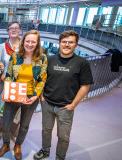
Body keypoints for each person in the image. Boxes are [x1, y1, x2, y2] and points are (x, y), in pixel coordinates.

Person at [34, 30, 93, 160]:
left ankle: (60, 157)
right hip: (47, 104)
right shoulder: (49, 59)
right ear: (59, 44)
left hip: (66, 108)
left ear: (76, 45)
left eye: (70, 42)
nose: (67, 45)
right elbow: (42, 79)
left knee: (63, 137)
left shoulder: (81, 63)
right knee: (46, 130)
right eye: (64, 42)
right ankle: (45, 150)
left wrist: (73, 105)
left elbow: (85, 86)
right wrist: (41, 96)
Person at [0, 30, 48, 160]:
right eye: (27, 41)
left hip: (31, 97)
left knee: (24, 125)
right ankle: (6, 144)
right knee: (6, 125)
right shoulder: (15, 56)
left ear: (37, 43)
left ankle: (17, 146)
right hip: (14, 94)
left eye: (33, 42)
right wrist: (9, 91)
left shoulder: (42, 58)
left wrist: (36, 96)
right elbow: (8, 76)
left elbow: (42, 79)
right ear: (23, 41)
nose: (30, 44)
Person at [0, 21, 22, 141]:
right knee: (2, 108)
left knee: (17, 111)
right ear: (8, 31)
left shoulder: (24, 46)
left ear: (20, 30)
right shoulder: (1, 47)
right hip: (4, 82)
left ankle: (13, 132)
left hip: (20, 84)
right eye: (11, 28)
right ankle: (0, 129)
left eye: (16, 28)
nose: (14, 30)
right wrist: (1, 76)